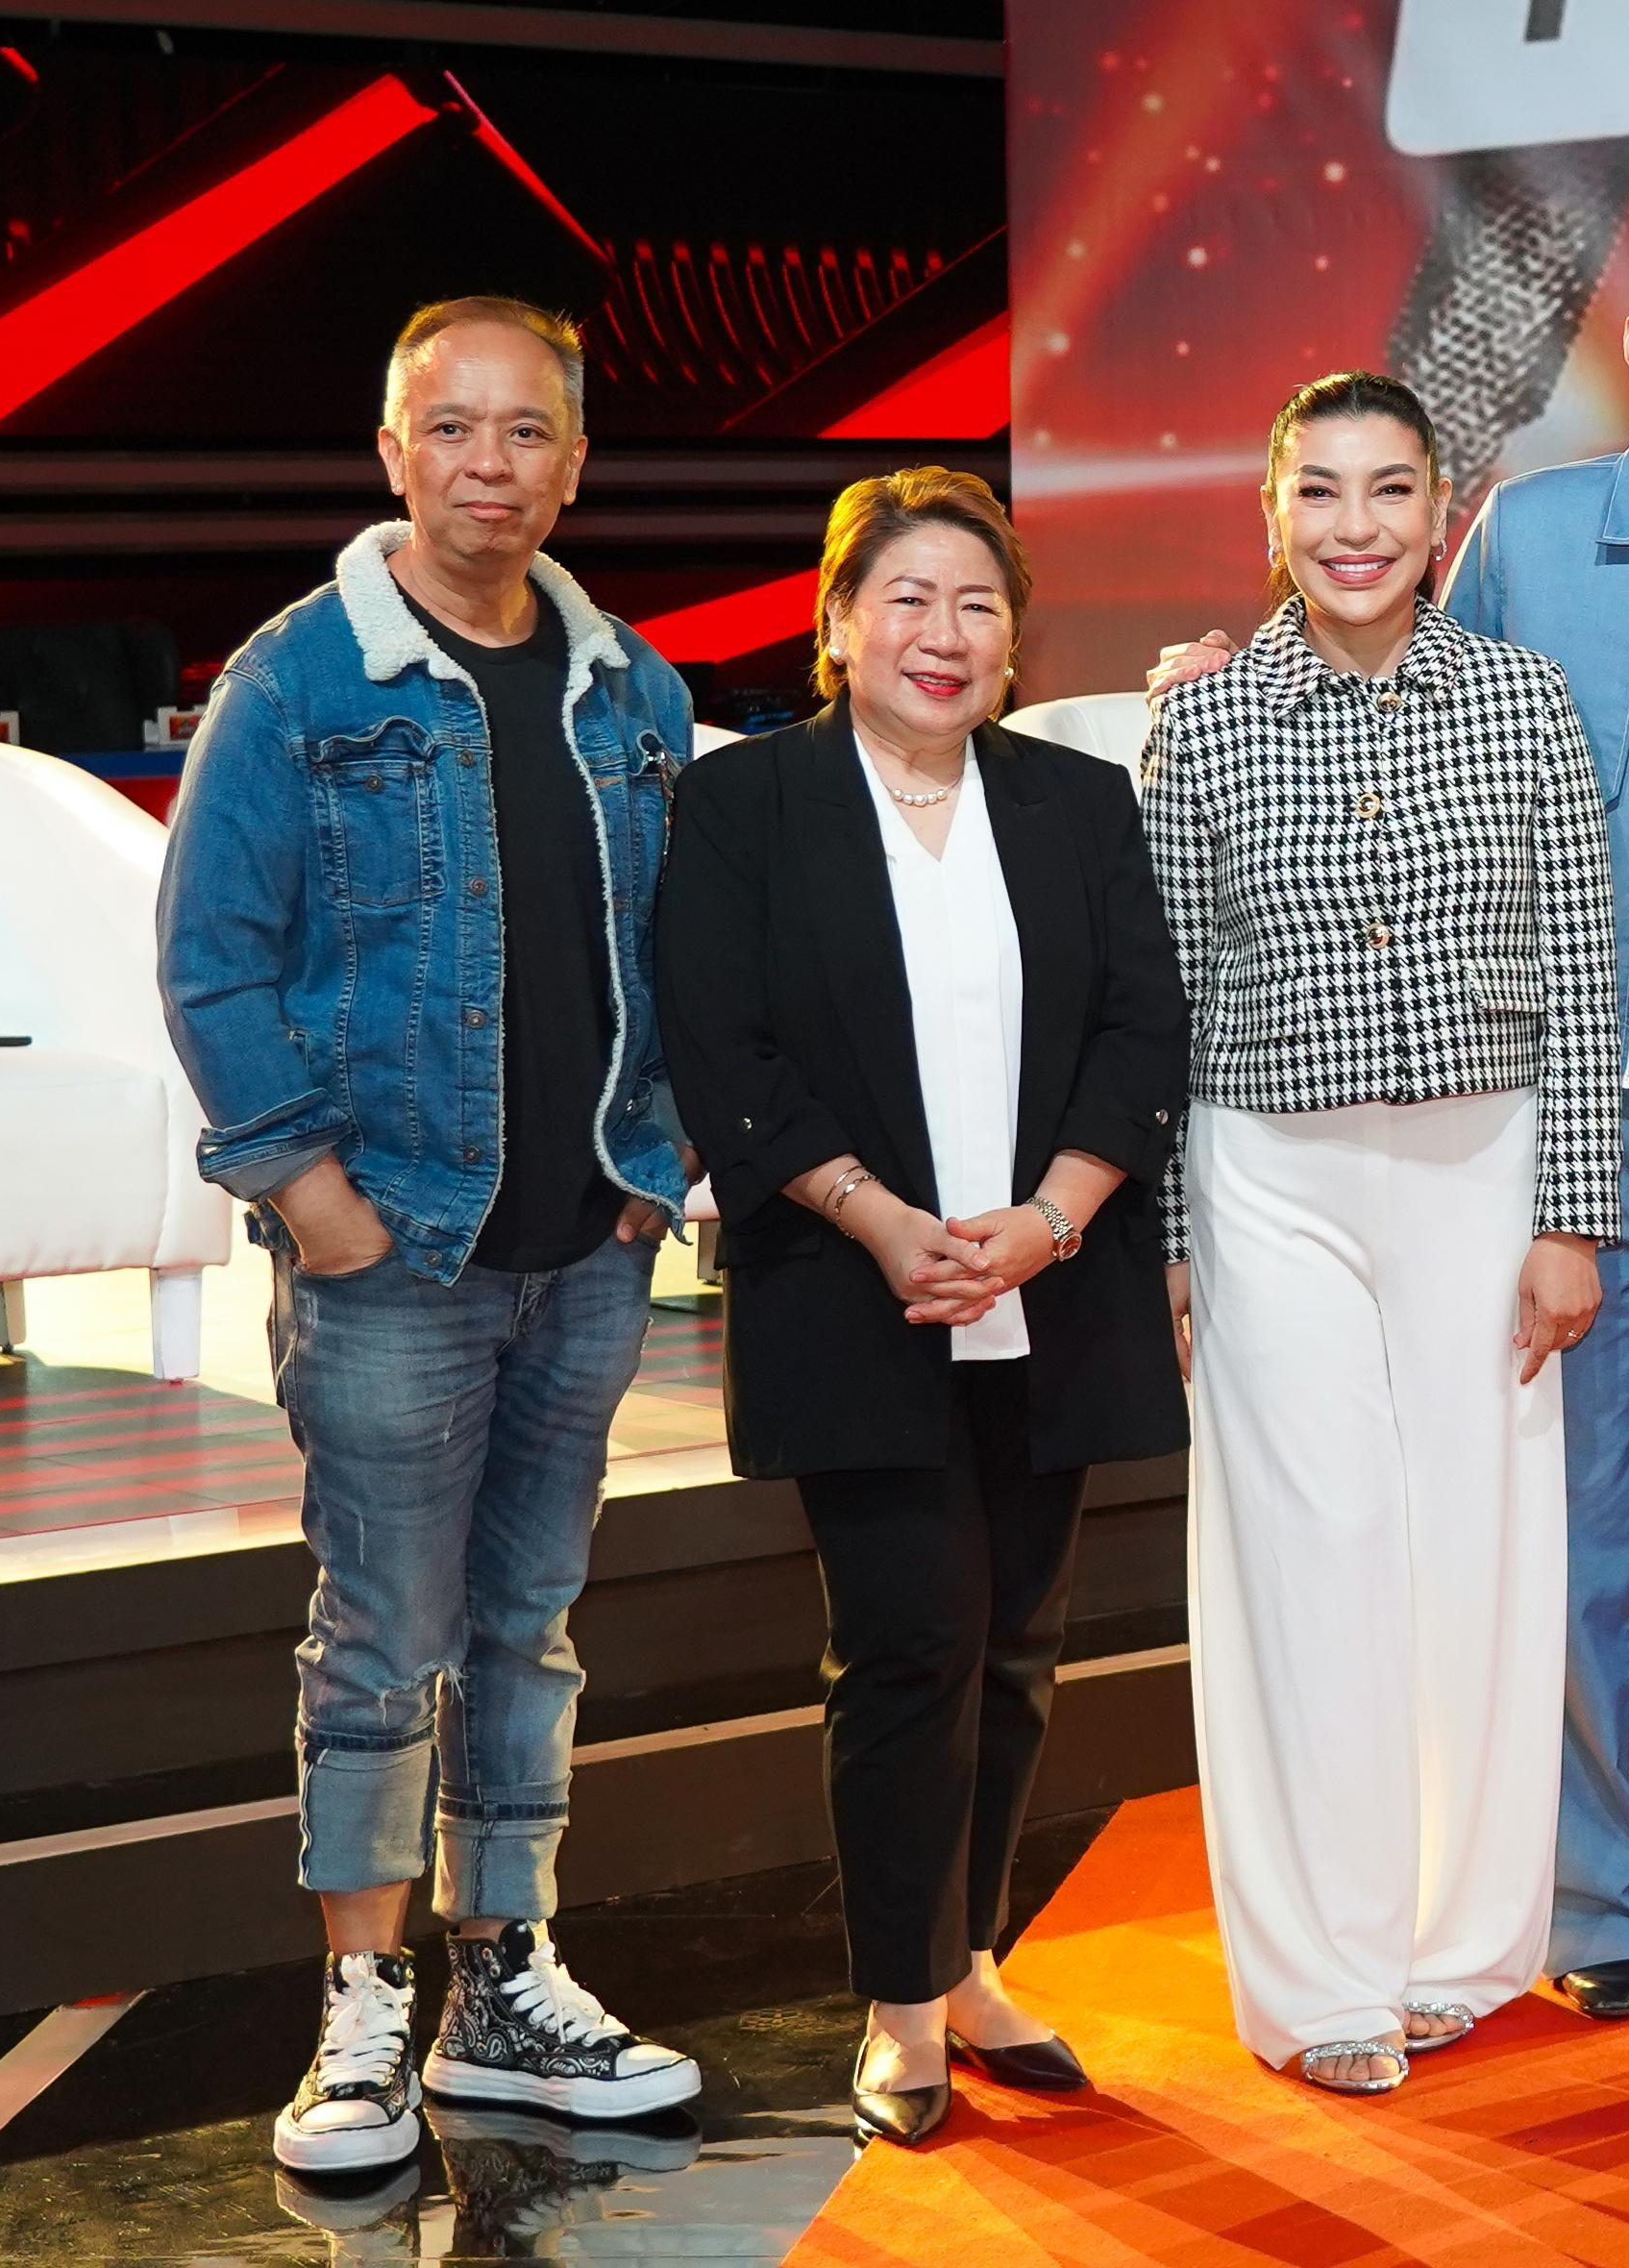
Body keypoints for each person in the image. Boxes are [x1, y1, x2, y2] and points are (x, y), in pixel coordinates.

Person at [1154, 181, 1629, 2027]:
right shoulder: (1525, 530)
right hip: (1528, 1129)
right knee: (1558, 1529)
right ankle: (1597, 1895)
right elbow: (1395, 690)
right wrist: (1228, 670)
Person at [159, 297, 704, 2177]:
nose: (490, 464)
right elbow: (212, 958)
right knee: (385, 1636)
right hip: (392, 1255)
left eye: (525, 430)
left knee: (528, 1626)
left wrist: (656, 1160)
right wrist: (311, 1201)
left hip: (588, 1248)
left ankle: (504, 1983)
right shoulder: (300, 680)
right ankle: (361, 2008)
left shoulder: (628, 687)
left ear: (575, 460)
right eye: (451, 429)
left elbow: (681, 948)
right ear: (393, 451)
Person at [657, 469, 1188, 2144]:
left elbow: (1141, 1029)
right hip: (851, 1289)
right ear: (836, 625)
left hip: (1051, 1284)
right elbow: (720, 1043)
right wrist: (885, 1225)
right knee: (907, 1645)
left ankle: (969, 1962)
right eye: (906, 598)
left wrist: (1047, 1222)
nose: (942, 634)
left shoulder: (1076, 802)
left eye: (976, 604)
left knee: (1018, 1644)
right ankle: (900, 2004)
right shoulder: (746, 804)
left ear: (1016, 639)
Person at [1148, 371, 1618, 2098]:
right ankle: (1321, 1977)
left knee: (1481, 1555)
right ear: (1270, 516)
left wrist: (1572, 1214)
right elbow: (1163, 1002)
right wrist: (1174, 1238)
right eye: (1320, 491)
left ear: (1440, 516)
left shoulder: (1522, 700)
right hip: (1265, 1175)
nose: (1355, 527)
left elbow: (1583, 972)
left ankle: (1458, 1947)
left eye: (1390, 491)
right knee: (1308, 1558)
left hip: (1485, 1170)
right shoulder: (1201, 727)